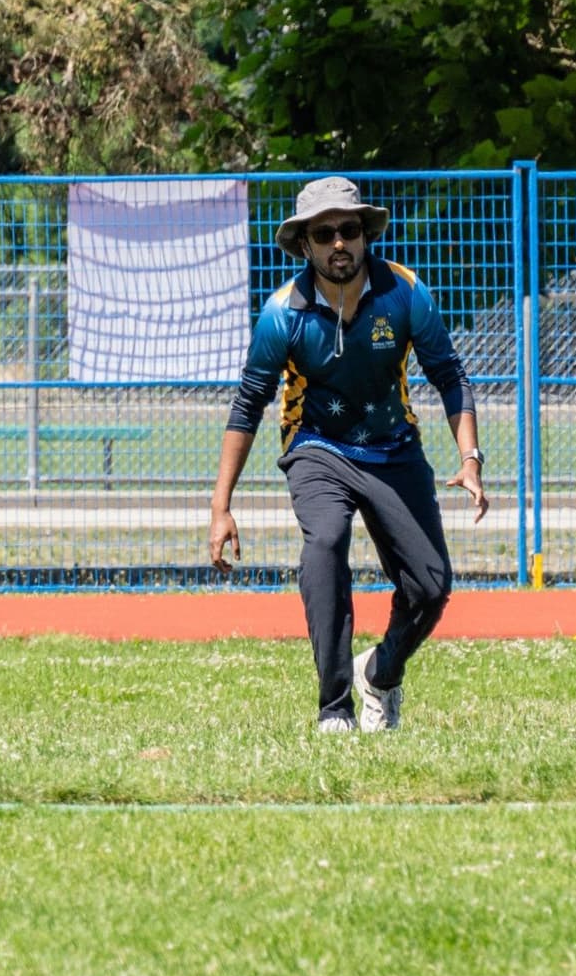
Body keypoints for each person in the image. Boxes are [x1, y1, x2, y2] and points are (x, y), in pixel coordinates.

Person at [209, 176, 489, 732]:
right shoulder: (282, 315)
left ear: (365, 235)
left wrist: (471, 458)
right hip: (317, 446)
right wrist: (221, 508)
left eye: (349, 230)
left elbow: (449, 376)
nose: (340, 243)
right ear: (305, 245)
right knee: (327, 541)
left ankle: (380, 675)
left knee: (431, 588)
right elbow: (247, 408)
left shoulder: (405, 292)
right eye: (325, 233)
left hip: (395, 448)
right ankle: (334, 709)